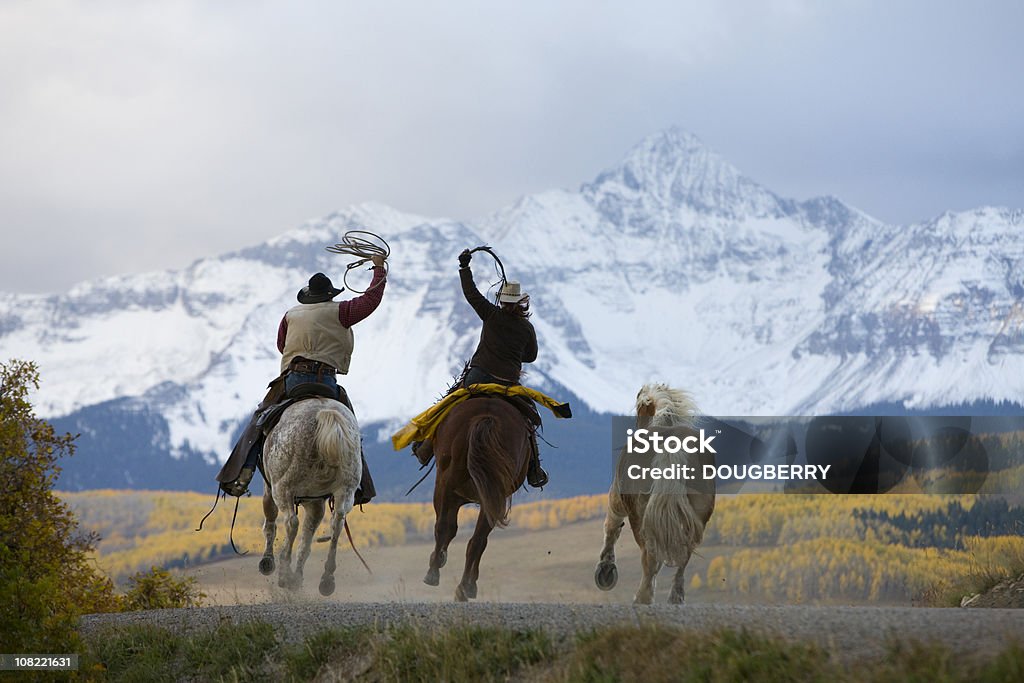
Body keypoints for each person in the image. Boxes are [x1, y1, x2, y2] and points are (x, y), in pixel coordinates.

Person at [217, 255, 387, 502]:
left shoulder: (290, 315)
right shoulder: (342, 310)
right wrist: (379, 268)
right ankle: (359, 484)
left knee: (261, 418)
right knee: (350, 427)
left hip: (294, 379)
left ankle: (241, 473)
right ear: (329, 294)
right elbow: (371, 300)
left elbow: (281, 345)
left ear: (309, 296)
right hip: (326, 380)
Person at [412, 248, 548, 488]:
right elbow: (532, 356)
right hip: (507, 383)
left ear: (502, 301)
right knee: (529, 421)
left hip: (478, 376)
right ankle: (534, 469)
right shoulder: (527, 329)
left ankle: (425, 448)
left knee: (450, 401)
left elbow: (471, 294)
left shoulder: (491, 314)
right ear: (521, 302)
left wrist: (464, 268)